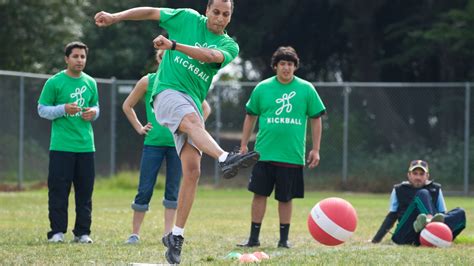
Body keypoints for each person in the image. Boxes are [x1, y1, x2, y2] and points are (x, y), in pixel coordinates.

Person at [95, 1, 259, 263]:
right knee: (193, 123)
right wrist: (116, 16)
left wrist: (174, 46)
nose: (219, 18)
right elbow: (150, 12)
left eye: (225, 14)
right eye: (215, 12)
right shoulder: (186, 18)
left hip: (191, 100)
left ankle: (176, 235)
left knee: (193, 171)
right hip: (167, 92)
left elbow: (209, 57)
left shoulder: (230, 45)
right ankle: (224, 157)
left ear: (230, 17)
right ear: (207, 10)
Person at [237, 46, 326, 248]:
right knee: (259, 194)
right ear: (275, 66)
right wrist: (243, 144)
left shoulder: (306, 89)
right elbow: (251, 116)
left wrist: (316, 148)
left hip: (291, 154)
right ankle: (253, 238)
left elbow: (316, 118)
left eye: (290, 64)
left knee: (285, 198)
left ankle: (284, 240)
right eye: (282, 64)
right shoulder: (262, 88)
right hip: (264, 153)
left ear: (295, 67)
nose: (286, 68)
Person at [123, 50, 211, 244]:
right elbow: (127, 105)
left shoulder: (183, 82)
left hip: (176, 146)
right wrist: (139, 127)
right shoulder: (148, 81)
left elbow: (206, 108)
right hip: (153, 144)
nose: (166, 60)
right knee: (144, 188)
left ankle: (167, 234)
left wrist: (193, 129)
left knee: (173, 190)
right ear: (158, 58)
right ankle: (134, 234)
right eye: (163, 57)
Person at [37, 41, 100, 244]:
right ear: (67, 59)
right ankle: (57, 232)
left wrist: (94, 113)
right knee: (59, 192)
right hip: (61, 147)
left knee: (85, 193)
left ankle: (83, 233)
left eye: (82, 56)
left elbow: (95, 106)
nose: (79, 60)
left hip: (86, 147)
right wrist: (63, 108)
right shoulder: (54, 82)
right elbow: (42, 109)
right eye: (75, 56)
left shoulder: (91, 82)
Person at [371, 160, 466, 245]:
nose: (418, 177)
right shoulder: (398, 189)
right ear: (409, 175)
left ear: (427, 176)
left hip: (427, 234)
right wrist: (376, 239)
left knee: (460, 213)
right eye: (415, 173)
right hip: (404, 235)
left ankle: (441, 237)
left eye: (421, 174)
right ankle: (430, 220)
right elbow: (391, 217)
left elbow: (442, 215)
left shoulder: (436, 189)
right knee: (422, 193)